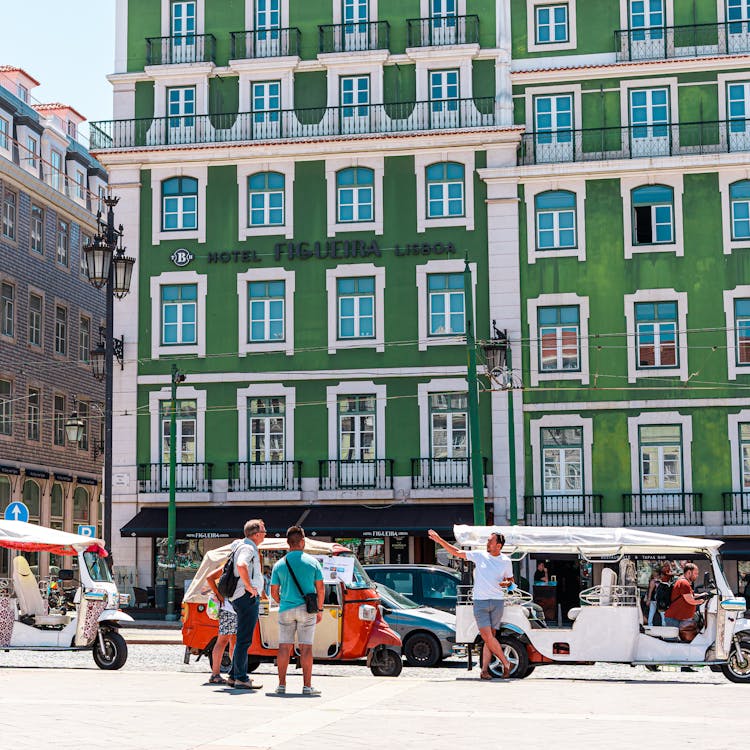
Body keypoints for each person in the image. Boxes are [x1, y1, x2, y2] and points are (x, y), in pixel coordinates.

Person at [428, 528, 514, 680]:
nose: (487, 542)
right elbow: (457, 552)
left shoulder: (506, 561)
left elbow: (511, 582)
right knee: (487, 636)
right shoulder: (480, 556)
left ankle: (484, 671)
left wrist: (506, 583)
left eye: (490, 541)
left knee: (490, 637)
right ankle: (506, 662)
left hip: (497, 601)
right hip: (480, 601)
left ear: (498, 546)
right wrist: (439, 540)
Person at [270, 525, 325, 696]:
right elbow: (321, 588)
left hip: (286, 608)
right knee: (306, 648)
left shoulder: (279, 564)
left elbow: (273, 591)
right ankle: (307, 686)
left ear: (288, 543)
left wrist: (283, 601)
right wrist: (320, 609)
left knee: (284, 647)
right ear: (302, 542)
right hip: (306, 610)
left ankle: (281, 685)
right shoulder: (313, 562)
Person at [227, 518, 266, 690]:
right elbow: (241, 565)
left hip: (240, 597)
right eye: (264, 531)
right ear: (256, 534)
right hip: (245, 597)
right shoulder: (248, 548)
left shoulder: (241, 545)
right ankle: (241, 678)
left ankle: (233, 675)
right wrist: (250, 587)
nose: (266, 534)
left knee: (241, 638)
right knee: (244, 639)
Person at [205, 565, 237, 685]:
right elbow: (209, 578)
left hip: (233, 608)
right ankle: (215, 674)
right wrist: (218, 595)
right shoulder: (229, 565)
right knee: (223, 640)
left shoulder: (231, 565)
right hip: (229, 608)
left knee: (233, 641)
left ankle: (234, 673)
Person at [663, 562, 708, 629]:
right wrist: (702, 601)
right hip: (675, 619)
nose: (697, 575)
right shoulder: (684, 583)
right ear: (689, 572)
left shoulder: (683, 581)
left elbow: (689, 595)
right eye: (695, 573)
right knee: (673, 639)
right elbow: (690, 600)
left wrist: (701, 595)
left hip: (679, 618)